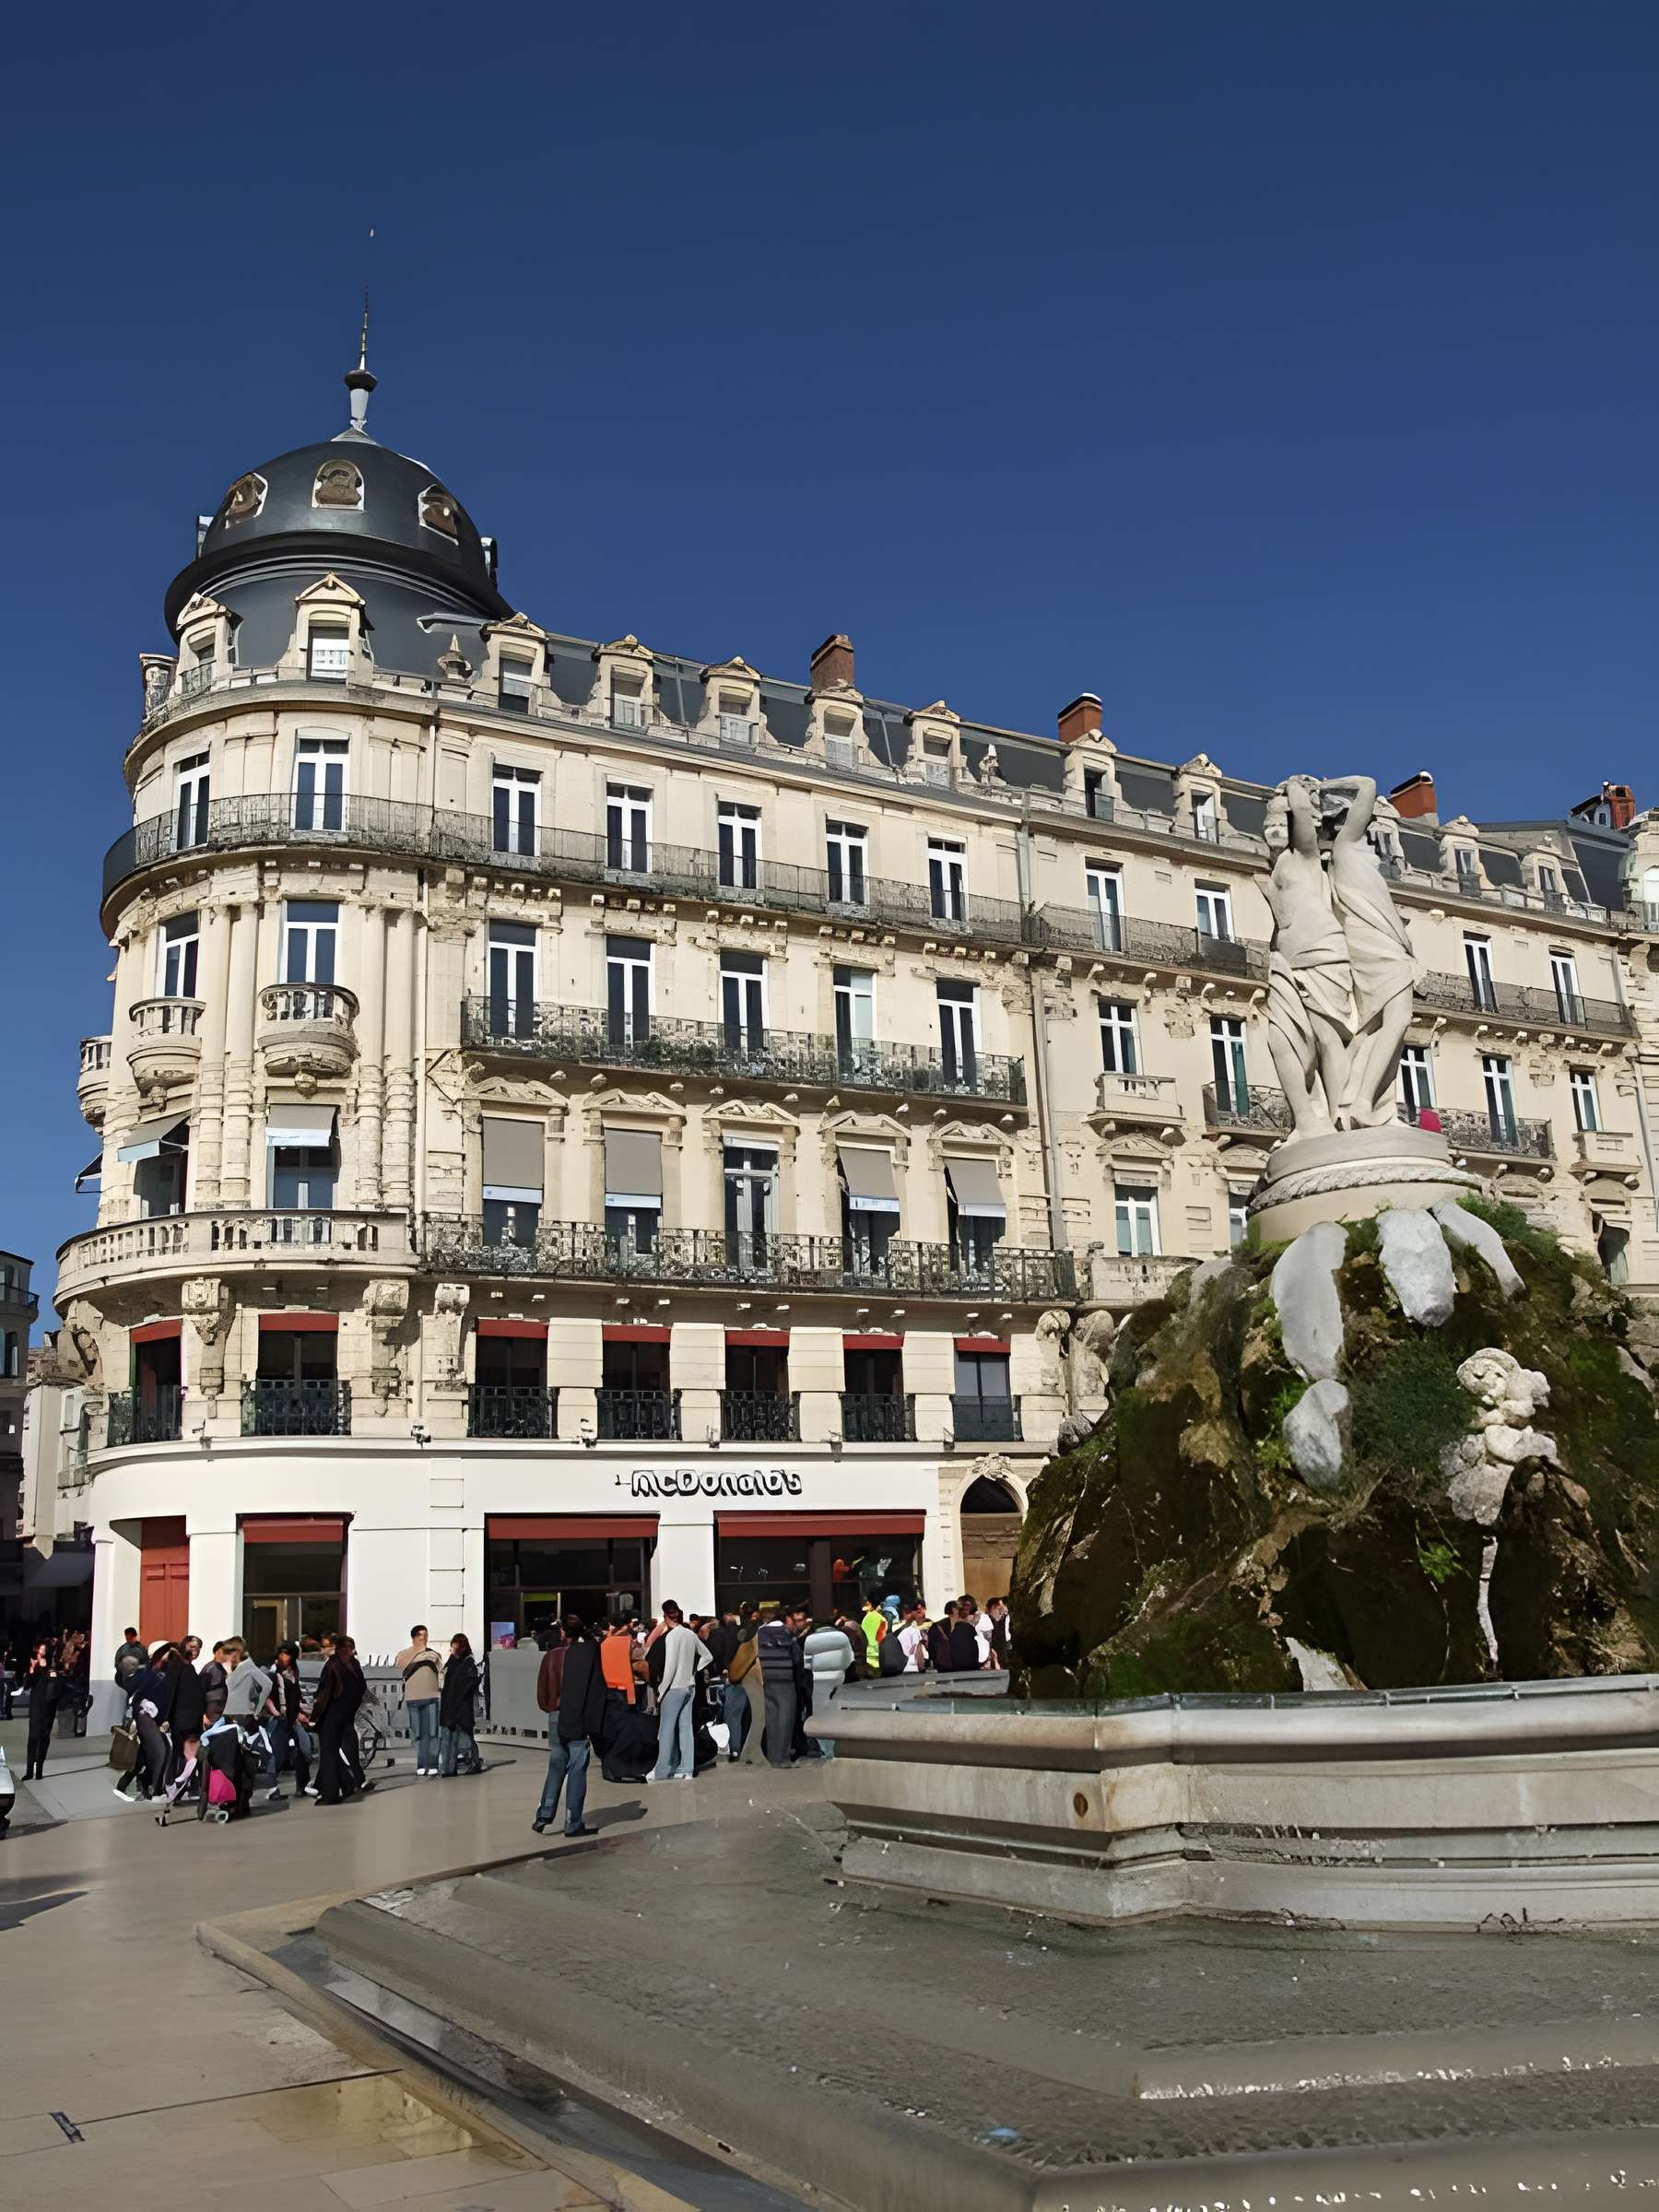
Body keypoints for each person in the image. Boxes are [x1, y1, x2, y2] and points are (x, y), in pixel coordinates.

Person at [533, 1615, 605, 1833]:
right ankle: (573, 1820)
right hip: (575, 1716)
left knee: (556, 1764)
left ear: (563, 1633)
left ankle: (544, 1815)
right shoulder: (583, 1655)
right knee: (577, 1766)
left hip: (555, 1714)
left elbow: (543, 1685)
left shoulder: (552, 1656)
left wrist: (548, 1706)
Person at [647, 1601, 712, 1783]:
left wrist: (661, 1690)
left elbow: (670, 1668)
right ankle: (686, 1768)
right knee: (685, 1728)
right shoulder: (690, 1634)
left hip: (674, 1687)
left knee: (666, 1730)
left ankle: (662, 1770)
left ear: (665, 1616)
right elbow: (707, 1656)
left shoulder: (671, 1637)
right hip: (689, 1686)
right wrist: (694, 1670)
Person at [311, 1634, 366, 1804]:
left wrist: (315, 1716)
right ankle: (347, 1784)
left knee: (329, 1754)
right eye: (347, 1648)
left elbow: (324, 1693)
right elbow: (360, 1689)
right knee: (333, 1753)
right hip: (343, 1714)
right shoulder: (350, 1665)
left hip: (333, 1715)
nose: (349, 1652)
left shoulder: (334, 1665)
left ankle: (330, 1793)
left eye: (350, 1648)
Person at [261, 1641, 312, 1801]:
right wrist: (274, 1711)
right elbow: (264, 1695)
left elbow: (296, 1695)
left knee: (305, 1750)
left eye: (288, 1654)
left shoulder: (293, 1671)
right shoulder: (271, 1672)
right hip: (278, 1719)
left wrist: (302, 1712)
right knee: (278, 1754)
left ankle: (302, 1786)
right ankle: (272, 1788)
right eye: (282, 1653)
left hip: (292, 1717)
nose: (285, 1657)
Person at [756, 1606, 802, 1768]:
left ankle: (773, 1756)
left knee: (772, 1718)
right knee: (786, 1718)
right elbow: (796, 1658)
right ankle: (784, 1757)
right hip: (785, 1679)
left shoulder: (760, 1633)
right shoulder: (787, 1633)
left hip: (767, 1679)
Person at [803, 1618, 855, 1758]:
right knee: (836, 1715)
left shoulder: (810, 1640)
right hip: (838, 1679)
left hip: (818, 1680)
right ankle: (835, 1750)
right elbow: (849, 1659)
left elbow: (807, 1664)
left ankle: (825, 1750)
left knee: (820, 1716)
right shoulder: (842, 1637)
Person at [395, 1625, 443, 1776]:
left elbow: (441, 1674)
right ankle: (421, 1764)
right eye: (420, 1635)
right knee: (418, 1733)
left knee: (433, 1733)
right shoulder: (404, 1654)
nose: (424, 1637)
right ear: (414, 1637)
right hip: (413, 1698)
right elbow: (401, 1668)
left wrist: (441, 1691)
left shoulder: (434, 1655)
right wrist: (419, 1654)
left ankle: (433, 1763)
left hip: (432, 1698)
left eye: (426, 1634)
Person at [439, 1634, 483, 1777]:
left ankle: (474, 1763)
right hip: (450, 1706)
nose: (453, 1650)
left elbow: (467, 1687)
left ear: (463, 1647)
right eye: (452, 1646)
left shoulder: (468, 1664)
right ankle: (449, 1768)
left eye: (456, 1647)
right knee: (449, 1738)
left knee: (466, 1737)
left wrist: (455, 1705)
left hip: (461, 1708)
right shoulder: (453, 1662)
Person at [22, 1638, 59, 1782]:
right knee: (32, 1738)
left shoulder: (50, 1667)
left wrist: (46, 1669)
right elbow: (27, 1685)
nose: (42, 1652)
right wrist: (32, 1669)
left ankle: (39, 1771)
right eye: (40, 1649)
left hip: (48, 1707)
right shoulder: (33, 1665)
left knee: (44, 1738)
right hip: (36, 1705)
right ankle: (29, 1771)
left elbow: (54, 1684)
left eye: (44, 1649)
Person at [950, 1597, 984, 1674]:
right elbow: (981, 1656)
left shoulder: (955, 1630)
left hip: (957, 1674)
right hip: (971, 1674)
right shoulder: (970, 1631)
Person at [113, 1627, 147, 1700]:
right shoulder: (122, 1650)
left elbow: (147, 1664)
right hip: (125, 1680)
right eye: (127, 1638)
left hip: (139, 1679)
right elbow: (117, 1664)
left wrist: (138, 1668)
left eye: (130, 1638)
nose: (128, 1641)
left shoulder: (142, 1649)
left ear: (135, 1637)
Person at [926, 1601, 959, 1673]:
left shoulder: (936, 1626)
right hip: (947, 1666)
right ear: (954, 1610)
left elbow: (931, 1650)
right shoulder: (937, 1627)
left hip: (942, 1666)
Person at [858, 1597, 887, 1677]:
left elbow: (862, 1637)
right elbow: (882, 1637)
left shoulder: (865, 1619)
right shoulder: (881, 1619)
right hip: (877, 1655)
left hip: (868, 1655)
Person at [984, 1596, 1011, 1669]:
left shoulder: (1007, 1618)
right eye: (999, 1608)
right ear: (992, 1608)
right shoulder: (986, 1620)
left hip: (1006, 1651)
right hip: (992, 1652)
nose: (1002, 1610)